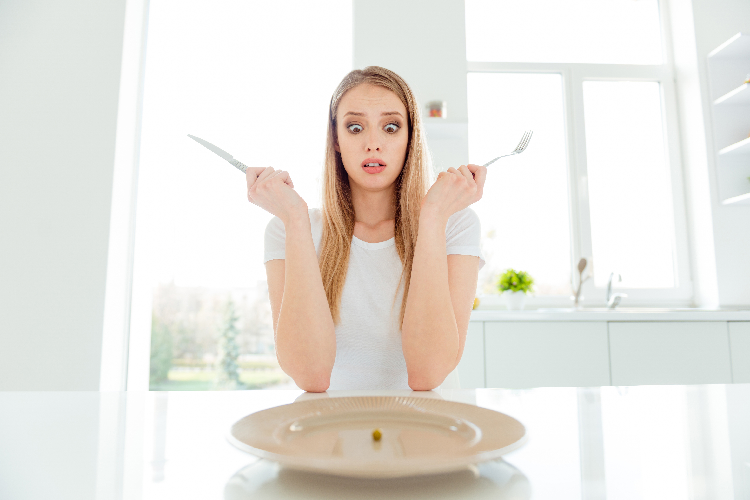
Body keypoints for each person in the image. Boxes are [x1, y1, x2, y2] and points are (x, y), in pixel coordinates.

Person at [245, 66, 486, 392]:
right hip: (333, 433)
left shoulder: (454, 225)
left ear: (410, 138)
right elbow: (310, 376)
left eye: (390, 127)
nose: (373, 143)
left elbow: (427, 374)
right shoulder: (288, 229)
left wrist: (430, 219)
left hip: (428, 433)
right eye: (355, 127)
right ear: (337, 140)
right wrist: (295, 221)